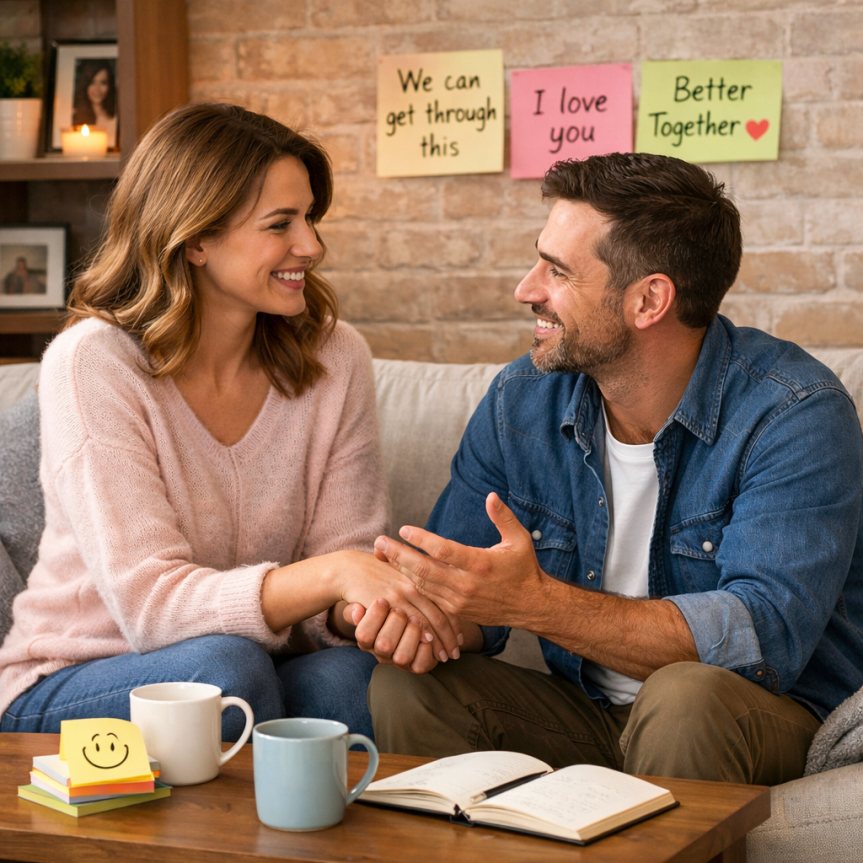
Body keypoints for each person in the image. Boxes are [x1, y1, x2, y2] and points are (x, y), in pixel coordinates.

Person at [353, 152, 863, 786]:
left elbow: (762, 636)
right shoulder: (522, 401)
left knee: (683, 700)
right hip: (587, 713)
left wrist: (537, 604)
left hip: (753, 717)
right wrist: (416, 616)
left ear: (648, 299)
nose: (526, 289)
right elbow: (463, 586)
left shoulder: (793, 412)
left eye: (557, 271)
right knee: (409, 688)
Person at [0, 103, 460, 740]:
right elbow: (151, 610)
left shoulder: (335, 356)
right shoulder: (93, 363)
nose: (312, 246)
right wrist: (334, 575)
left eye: (309, 218)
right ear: (195, 239)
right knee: (223, 672)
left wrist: (377, 610)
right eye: (281, 224)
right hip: (78, 675)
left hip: (257, 666)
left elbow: (340, 566)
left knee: (357, 684)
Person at [72, 60, 118, 146]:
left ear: (109, 85)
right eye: (92, 82)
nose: (97, 89)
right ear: (86, 84)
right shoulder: (75, 116)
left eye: (103, 82)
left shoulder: (115, 120)